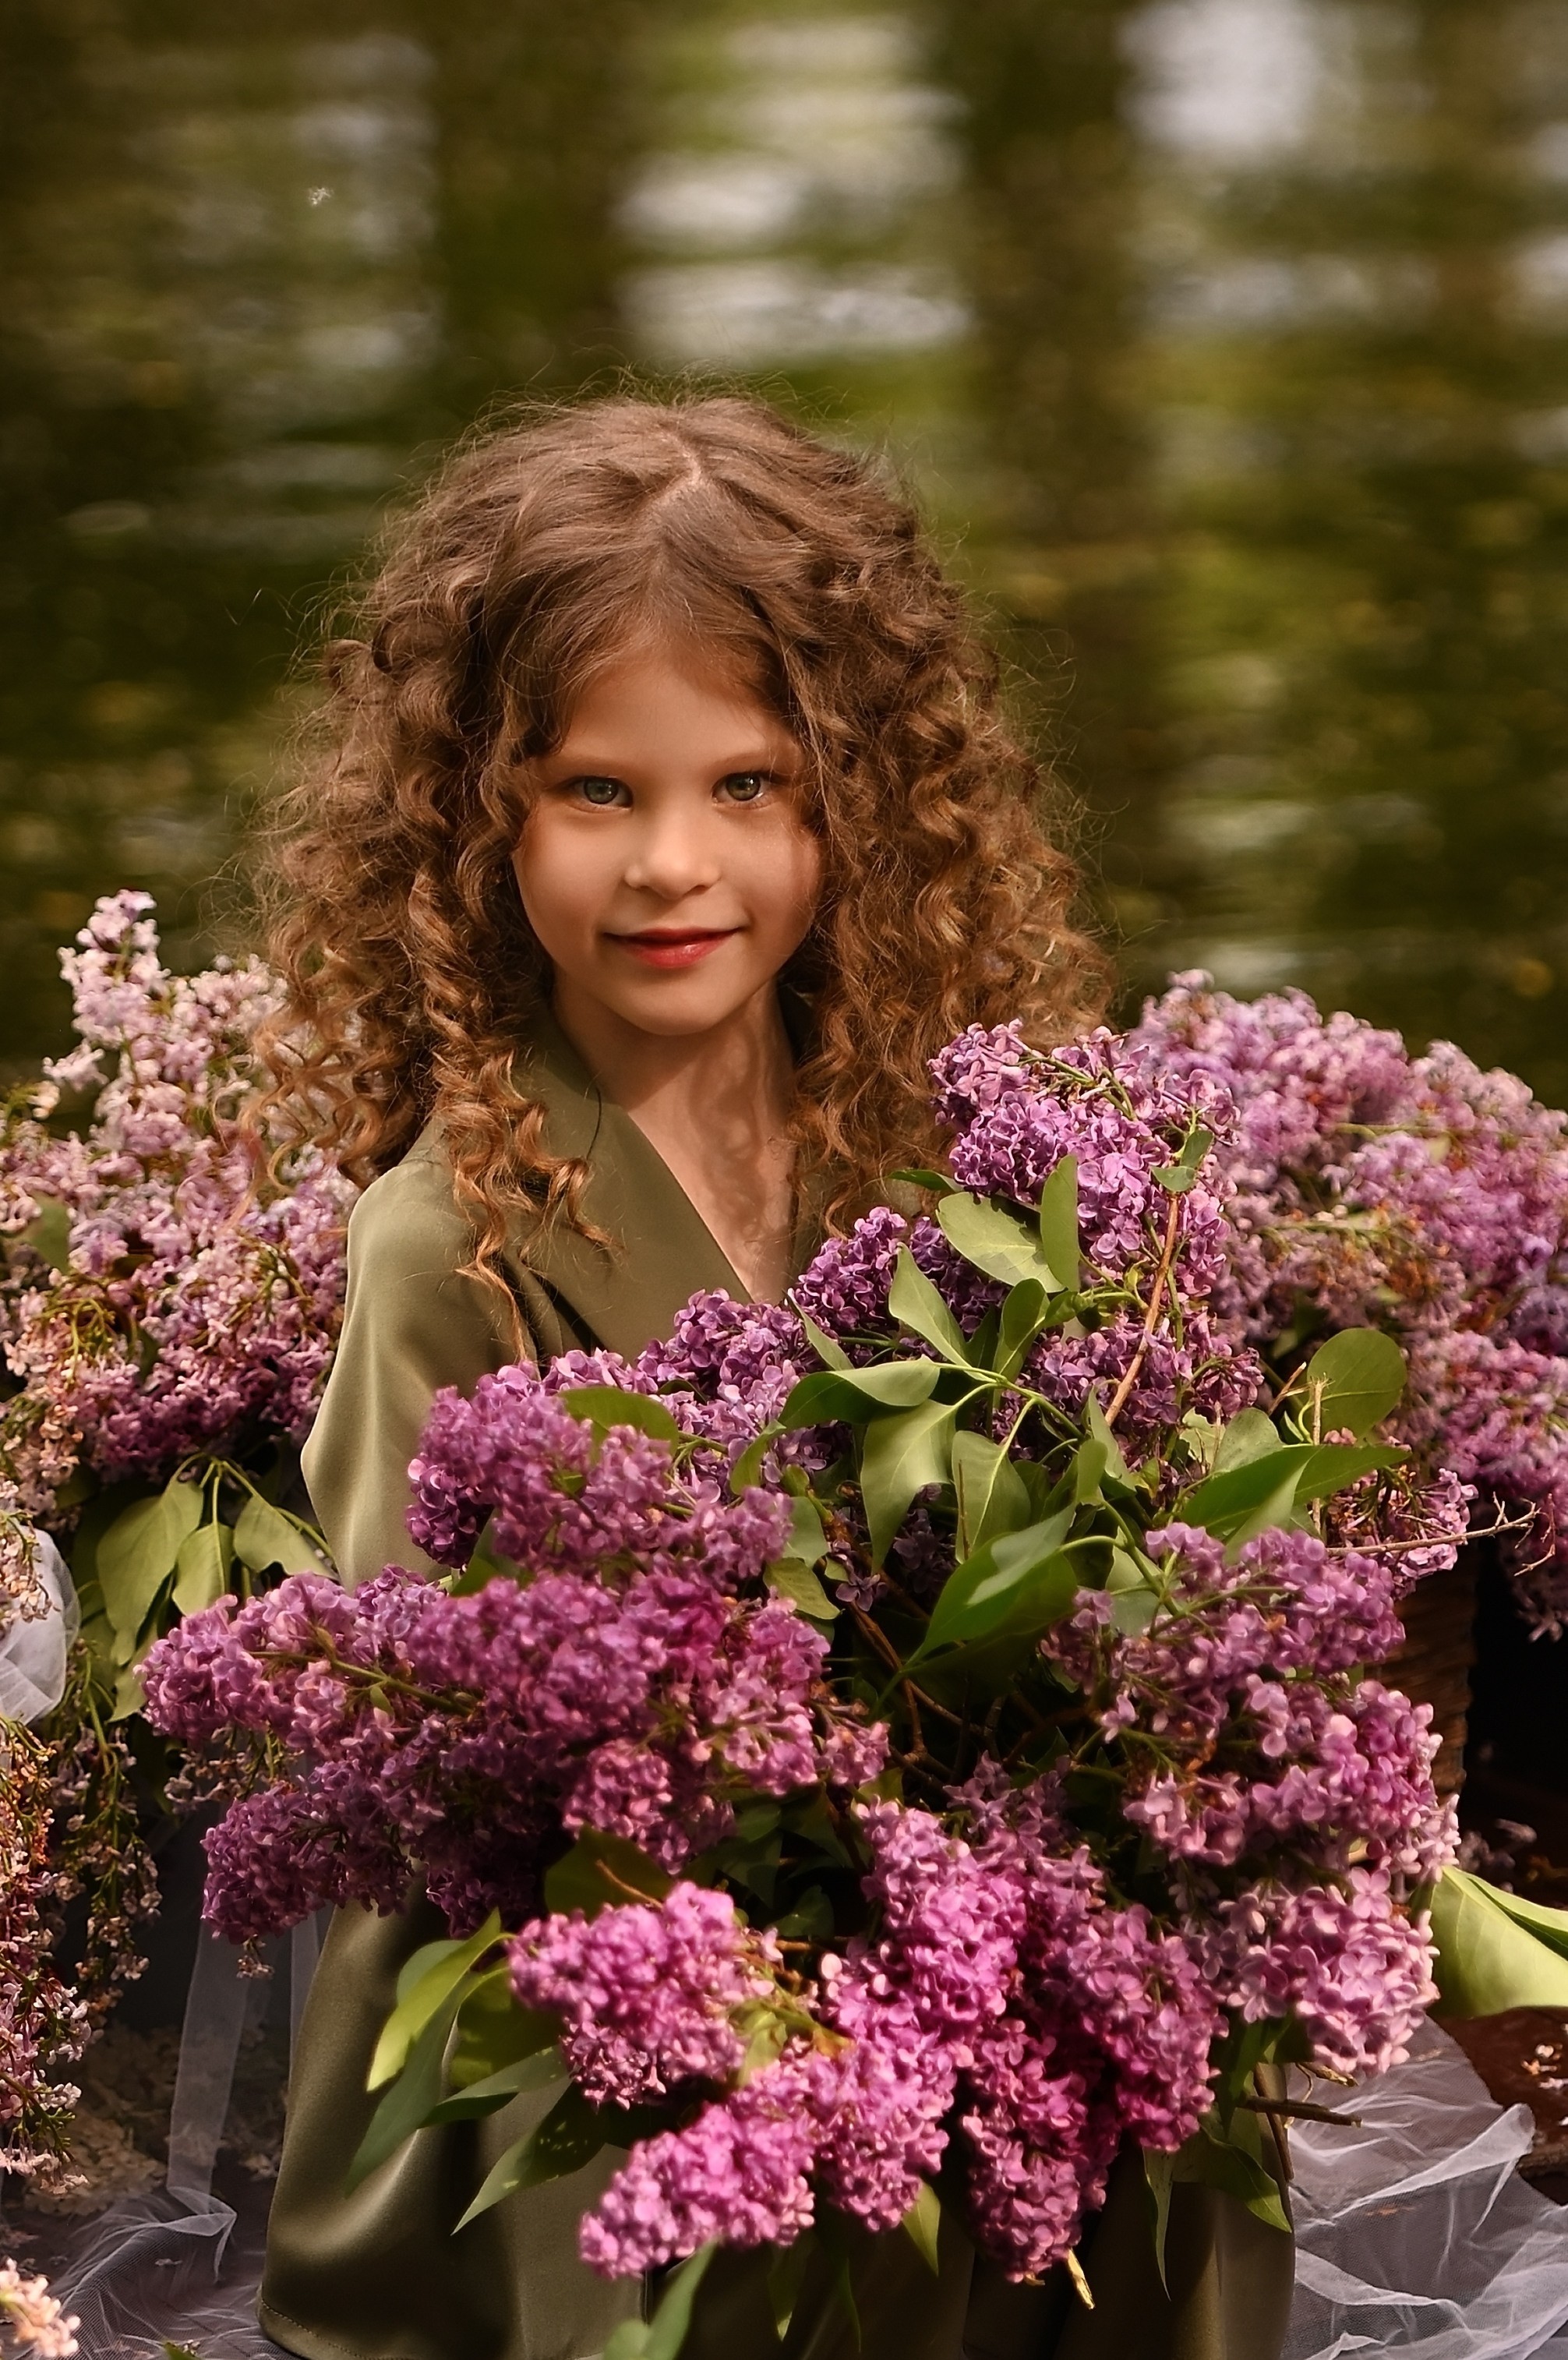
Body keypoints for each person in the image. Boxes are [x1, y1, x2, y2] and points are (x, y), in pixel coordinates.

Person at [247, 394, 1294, 2360]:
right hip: (581, 1971)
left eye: (747, 784)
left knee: (1171, 2028)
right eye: (591, 790)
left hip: (910, 1908)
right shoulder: (446, 1247)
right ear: (477, 819)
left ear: (858, 805)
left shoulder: (938, 1160)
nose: (672, 864)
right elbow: (437, 1756)